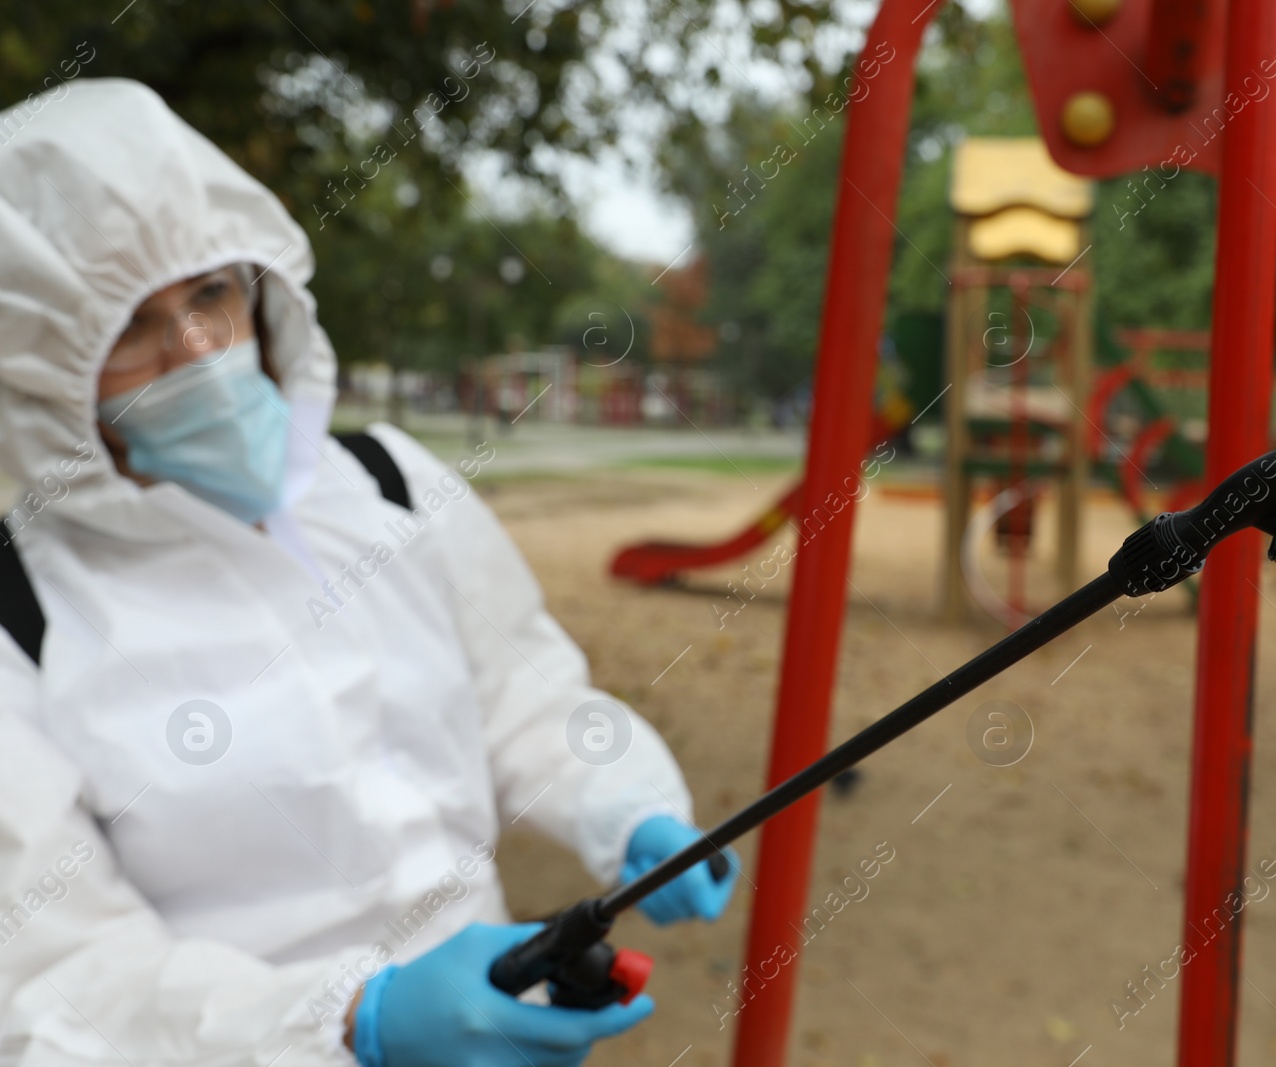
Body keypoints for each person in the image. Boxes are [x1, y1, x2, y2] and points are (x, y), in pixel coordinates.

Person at [0, 79, 734, 1067]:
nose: (199, 350)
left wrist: (626, 799)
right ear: (39, 370)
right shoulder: (22, 614)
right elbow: (59, 976)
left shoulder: (391, 480)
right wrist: (354, 1020)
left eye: (212, 292)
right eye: (132, 325)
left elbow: (519, 688)